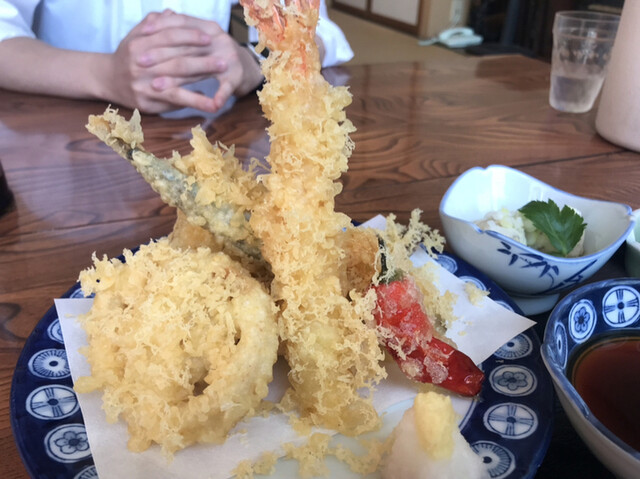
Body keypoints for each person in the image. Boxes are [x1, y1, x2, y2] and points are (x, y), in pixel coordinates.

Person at [0, 1, 353, 116]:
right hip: (68, 132)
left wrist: (251, 62)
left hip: (215, 135)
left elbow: (316, 31)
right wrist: (102, 74)